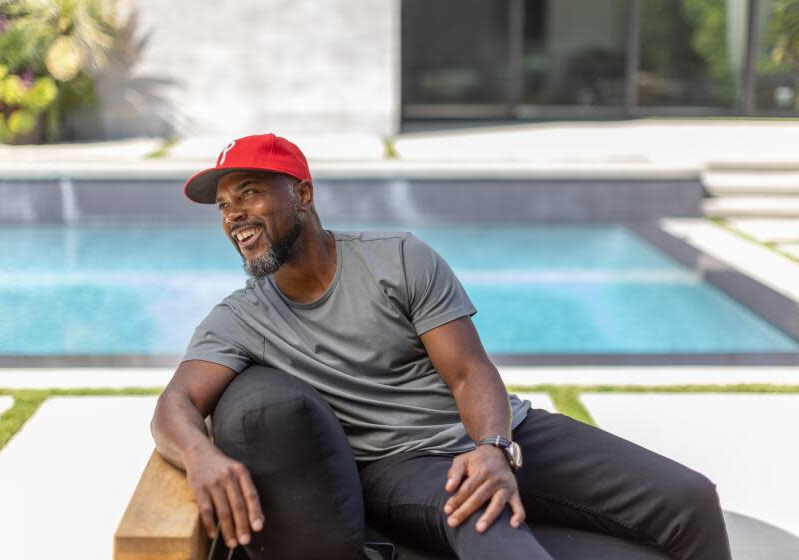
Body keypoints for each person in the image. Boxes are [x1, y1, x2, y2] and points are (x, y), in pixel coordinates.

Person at [150, 133, 732, 560]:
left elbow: (469, 372)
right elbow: (174, 405)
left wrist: (494, 447)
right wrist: (201, 455)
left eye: (249, 193)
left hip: (505, 431)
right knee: (500, 541)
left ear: (301, 193)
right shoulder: (241, 317)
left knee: (691, 499)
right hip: (403, 466)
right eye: (224, 205)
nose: (234, 216)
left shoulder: (397, 258)